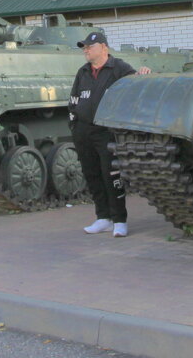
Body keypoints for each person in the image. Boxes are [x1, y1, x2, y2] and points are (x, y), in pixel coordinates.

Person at [68, 31, 150, 237]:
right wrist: (75, 125)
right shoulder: (83, 72)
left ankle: (119, 220)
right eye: (84, 47)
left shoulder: (118, 68)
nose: (86, 50)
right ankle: (103, 217)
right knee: (92, 175)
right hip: (84, 131)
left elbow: (135, 85)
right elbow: (74, 99)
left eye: (89, 47)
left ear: (104, 48)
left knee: (110, 176)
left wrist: (143, 74)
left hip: (106, 131)